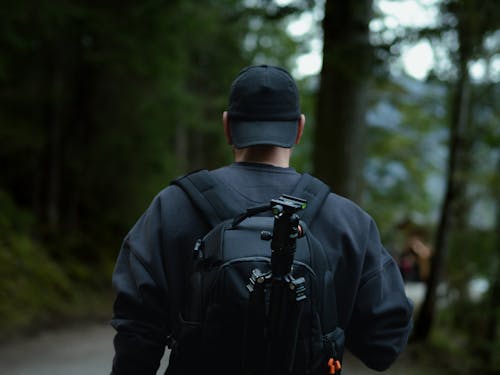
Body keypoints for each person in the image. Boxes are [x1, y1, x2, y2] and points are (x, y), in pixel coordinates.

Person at [110, 65, 413, 374]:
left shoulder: (172, 208)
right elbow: (384, 345)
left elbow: (136, 331)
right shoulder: (349, 222)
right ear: (299, 129)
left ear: (227, 126)